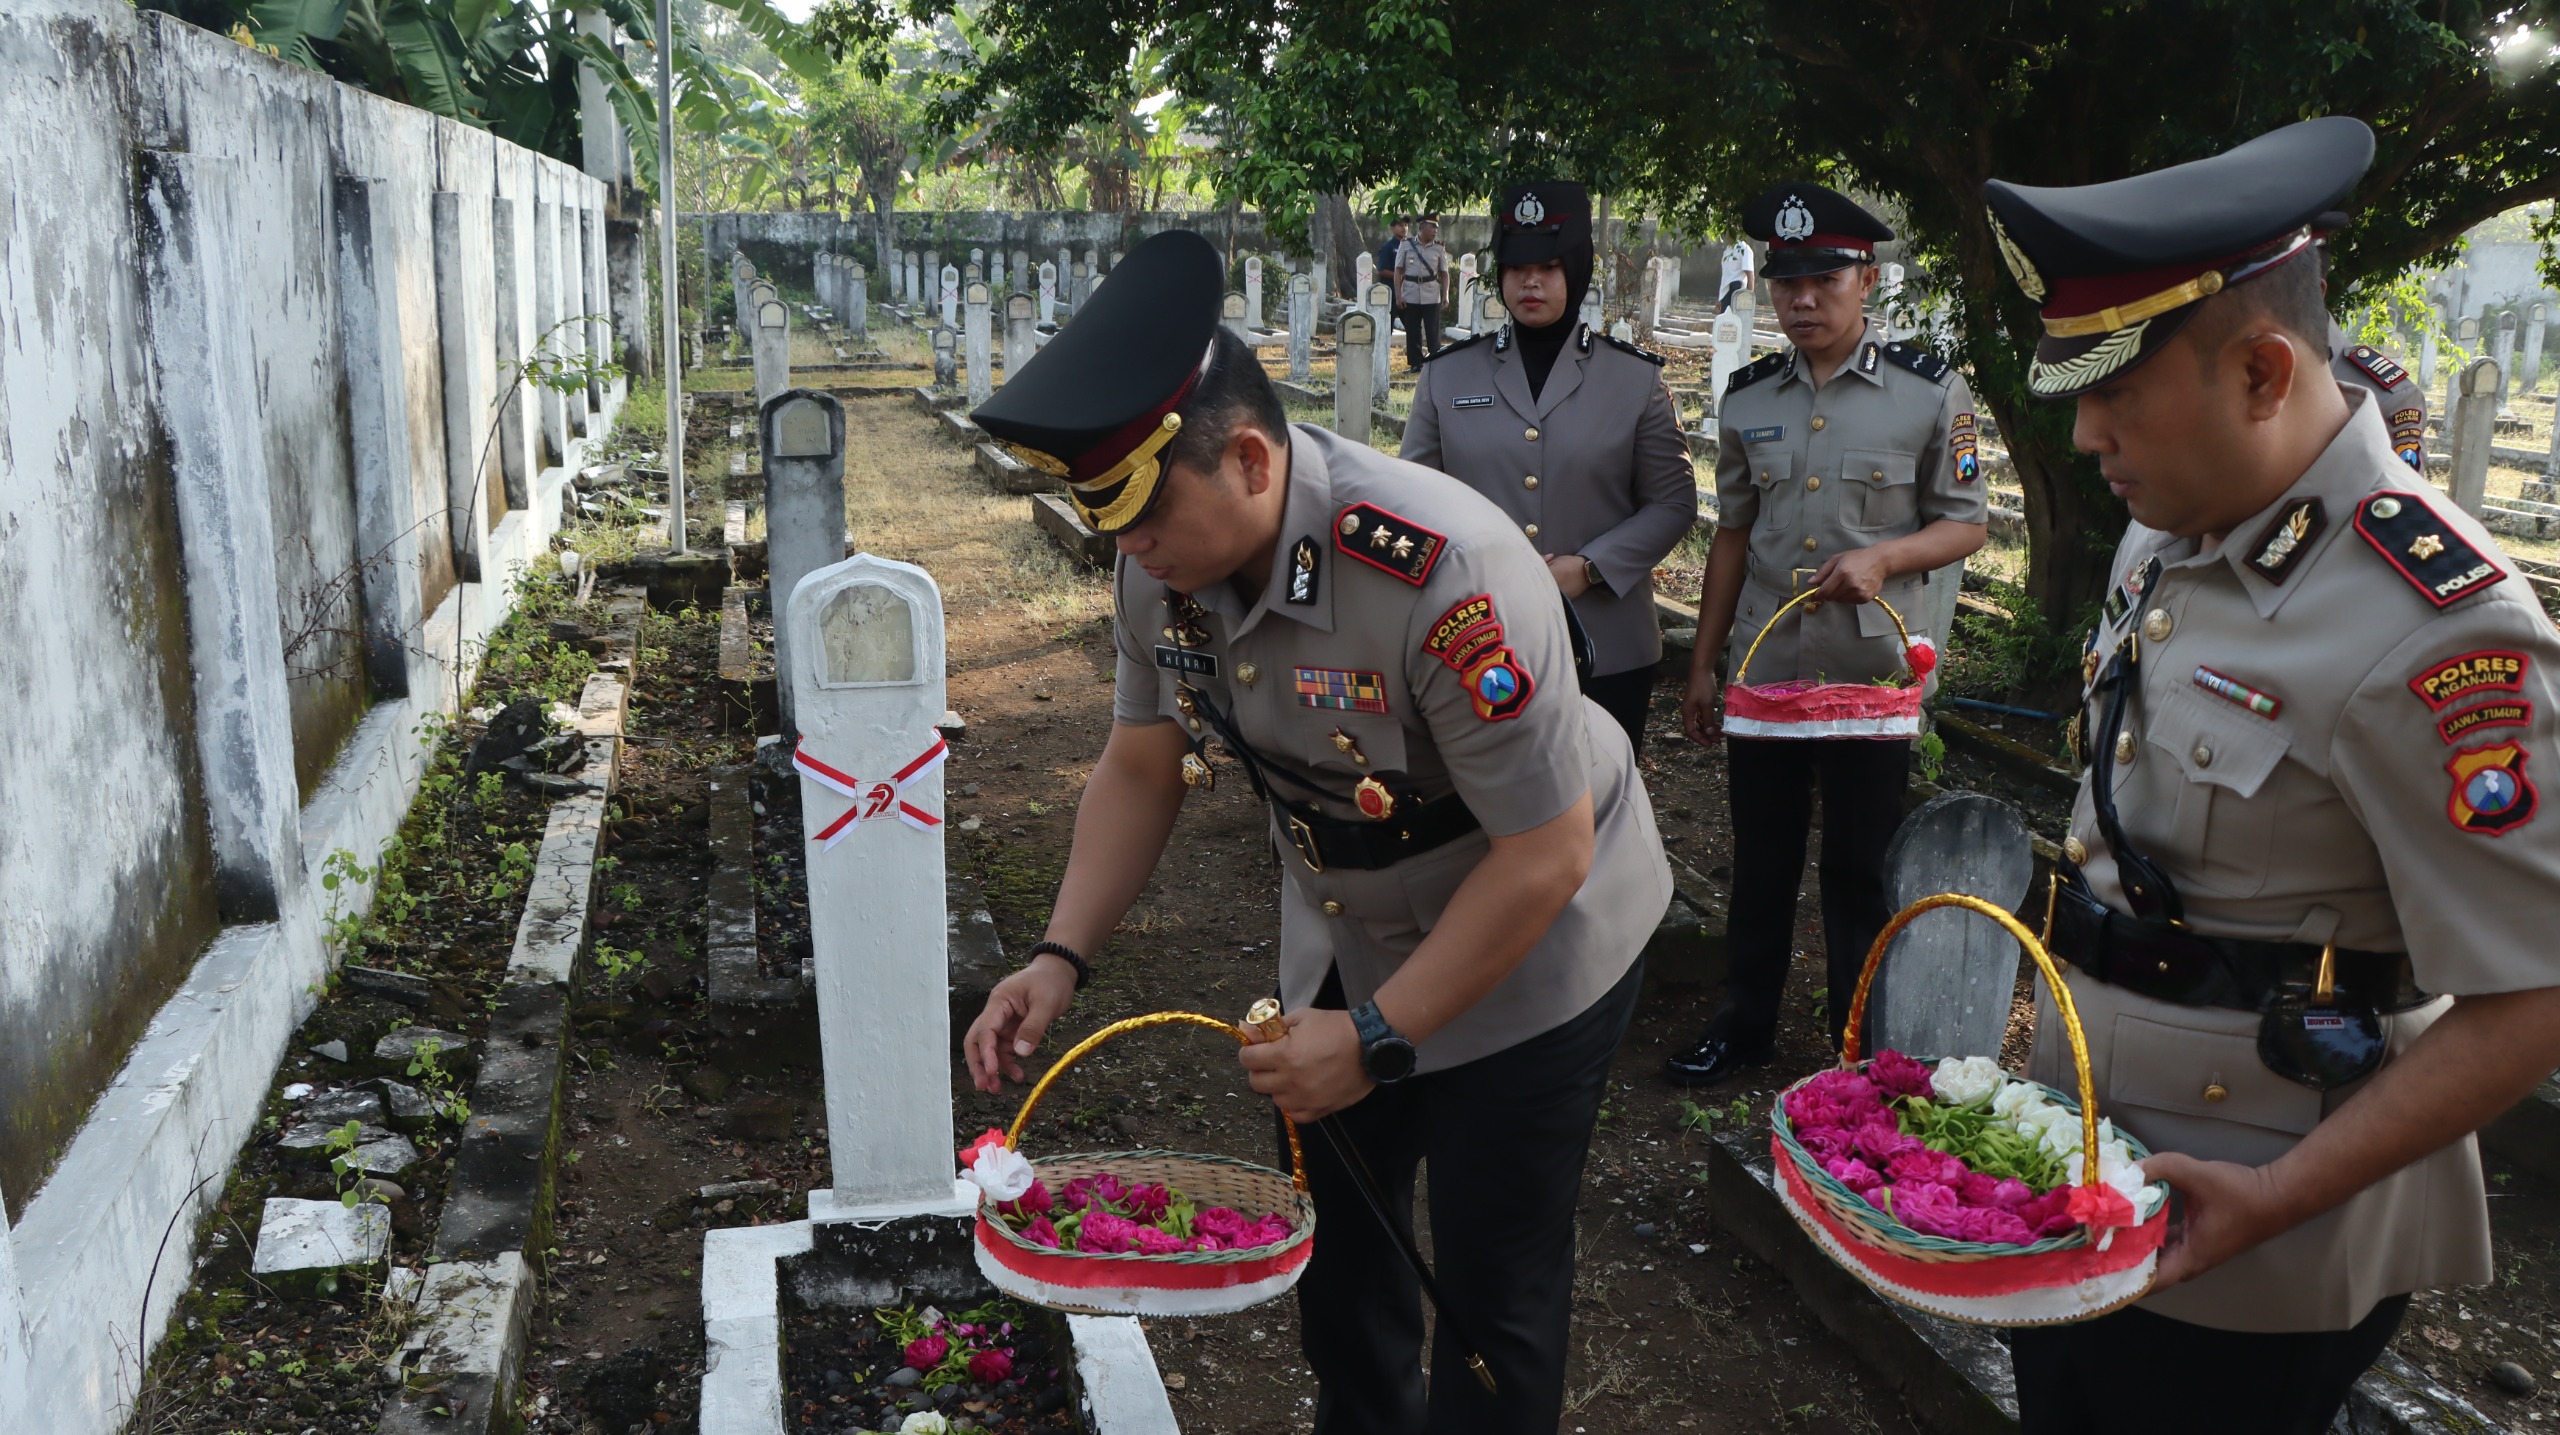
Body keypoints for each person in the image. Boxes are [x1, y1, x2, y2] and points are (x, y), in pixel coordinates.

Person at [964, 229, 1671, 1435]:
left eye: (1142, 516)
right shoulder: (1161, 564)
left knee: (1495, 1283)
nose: (1128, 551)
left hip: (1537, 925)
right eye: (1113, 522)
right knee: (1341, 1258)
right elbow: (1143, 760)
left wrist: (1383, 1034)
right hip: (1345, 922)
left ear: (1248, 458)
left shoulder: (1443, 574)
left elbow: (1543, 853)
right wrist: (1058, 953)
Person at [1982, 114, 2560, 1434]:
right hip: (2087, 1157)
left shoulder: (2439, 623)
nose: (2083, 435)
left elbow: (2537, 991)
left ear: (2258, 372)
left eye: (2115, 388)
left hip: (2248, 1228)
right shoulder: (2172, 528)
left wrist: (2281, 1197)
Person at [1665, 183, 1989, 1087]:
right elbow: (1732, 533)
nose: (1802, 300)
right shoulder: (1746, 400)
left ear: (1865, 278)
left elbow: (1965, 524)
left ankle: (1858, 1045)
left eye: (1823, 280)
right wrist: (1703, 662)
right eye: (1786, 282)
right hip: (1768, 668)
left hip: (1870, 676)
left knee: (1857, 870)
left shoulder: (1928, 395)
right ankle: (1744, 1024)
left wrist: (1885, 558)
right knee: (1759, 863)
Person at [1400, 182, 1698, 754]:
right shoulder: (1448, 376)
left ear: (1578, 269)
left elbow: (1674, 502)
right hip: (1476, 637)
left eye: (1549, 267)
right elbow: (1415, 500)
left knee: (1600, 817)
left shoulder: (1633, 380)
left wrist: (1586, 569)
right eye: (1516, 267)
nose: (1530, 282)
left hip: (1606, 642)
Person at [1396, 216, 1451, 366]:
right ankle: (1416, 364)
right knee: (1413, 331)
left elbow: (1444, 274)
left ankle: (1435, 362)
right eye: (1432, 227)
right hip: (1410, 292)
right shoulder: (1406, 245)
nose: (1435, 230)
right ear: (1422, 227)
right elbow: (1398, 271)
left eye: (1437, 227)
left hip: (1431, 294)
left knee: (1433, 331)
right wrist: (1398, 295)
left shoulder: (1439, 248)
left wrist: (1445, 294)